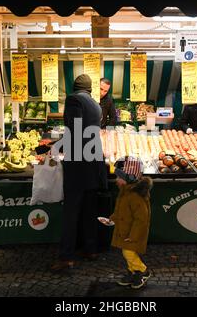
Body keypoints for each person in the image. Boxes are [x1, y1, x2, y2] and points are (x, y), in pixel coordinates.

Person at [51, 74, 107, 271]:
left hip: (78, 163)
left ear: (74, 87)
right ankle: (90, 249)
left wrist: (53, 147)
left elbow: (74, 132)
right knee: (89, 209)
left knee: (71, 212)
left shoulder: (74, 100)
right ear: (90, 88)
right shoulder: (95, 104)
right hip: (93, 162)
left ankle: (66, 257)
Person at [108, 156, 153, 289]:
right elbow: (120, 211)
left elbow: (141, 219)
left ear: (128, 179)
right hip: (125, 231)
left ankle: (143, 271)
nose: (116, 180)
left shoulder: (135, 196)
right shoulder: (125, 192)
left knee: (128, 253)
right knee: (127, 253)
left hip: (133, 234)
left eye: (119, 177)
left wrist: (133, 236)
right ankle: (133, 273)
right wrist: (112, 218)